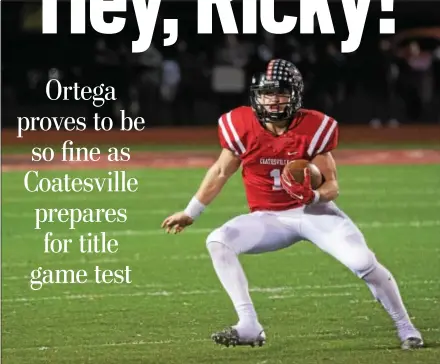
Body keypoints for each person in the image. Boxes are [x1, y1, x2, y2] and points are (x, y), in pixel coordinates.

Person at [161, 59, 424, 350]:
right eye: (267, 93)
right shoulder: (241, 125)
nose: (273, 100)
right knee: (218, 241)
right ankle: (249, 325)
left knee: (362, 262)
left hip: (313, 212)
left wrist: (313, 196)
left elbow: (332, 185)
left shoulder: (313, 126)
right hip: (269, 217)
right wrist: (191, 212)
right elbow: (221, 171)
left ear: (295, 94)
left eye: (281, 92)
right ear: (256, 95)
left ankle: (406, 327)